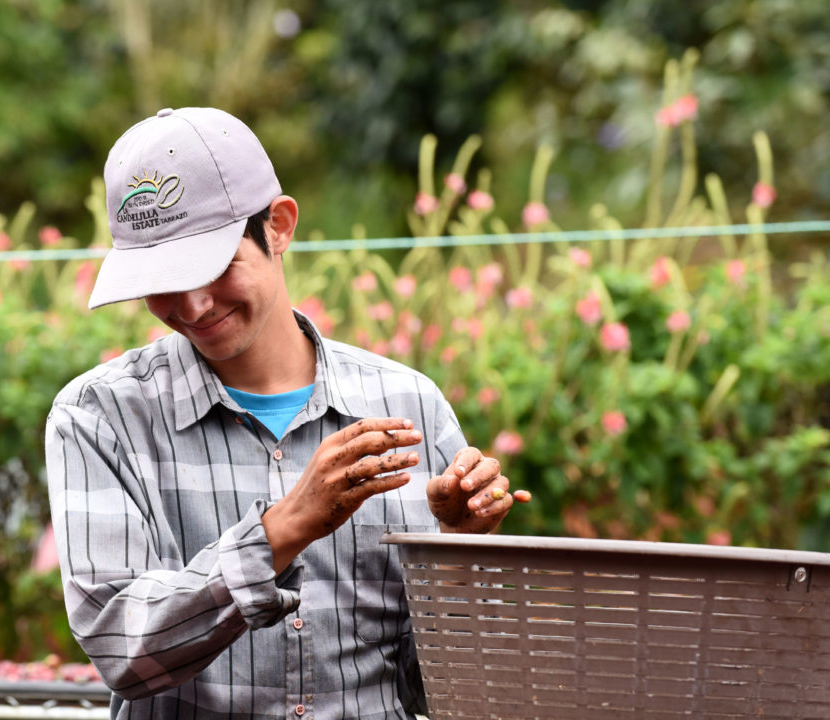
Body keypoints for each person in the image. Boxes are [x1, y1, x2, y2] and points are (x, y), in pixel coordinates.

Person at [45, 107, 526, 720]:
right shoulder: (100, 418)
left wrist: (459, 554)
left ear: (278, 226)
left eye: (214, 267)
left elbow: (434, 690)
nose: (192, 305)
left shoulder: (410, 404)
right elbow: (122, 648)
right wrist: (284, 528)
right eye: (162, 279)